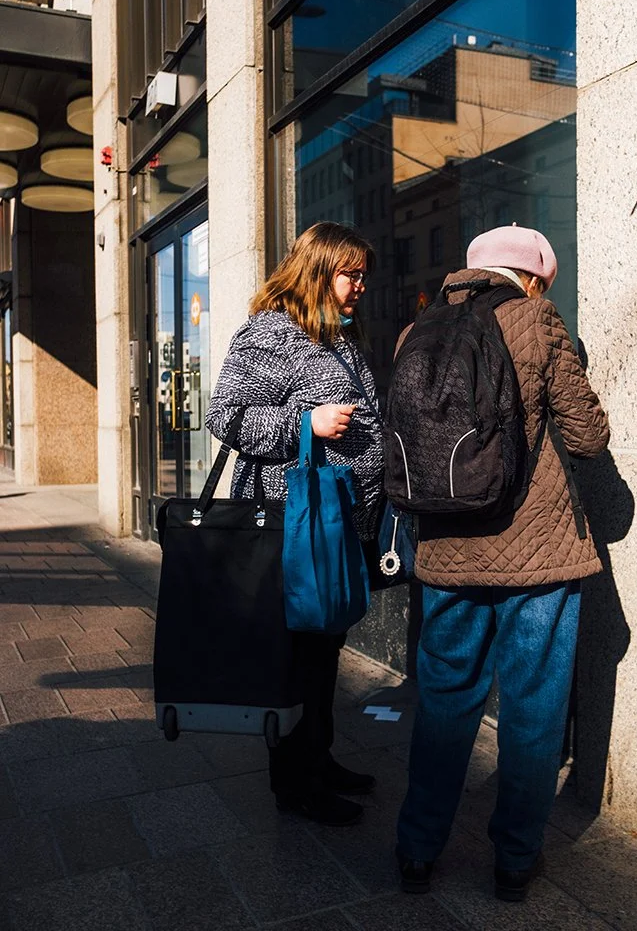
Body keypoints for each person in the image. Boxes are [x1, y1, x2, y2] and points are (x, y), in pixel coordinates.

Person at [395, 225, 609, 899]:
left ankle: (416, 850)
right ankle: (515, 861)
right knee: (532, 709)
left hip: (445, 551)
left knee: (443, 703)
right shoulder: (537, 320)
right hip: (536, 554)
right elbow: (587, 435)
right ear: (535, 278)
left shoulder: (415, 331)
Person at [205, 221, 383, 827]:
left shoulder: (338, 334)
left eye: (363, 274)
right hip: (294, 525)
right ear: (318, 270)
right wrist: (305, 424)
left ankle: (320, 760)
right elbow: (224, 415)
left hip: (338, 525)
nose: (360, 285)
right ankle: (295, 783)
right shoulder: (271, 331)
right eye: (350, 273)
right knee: (300, 655)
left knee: (325, 650)